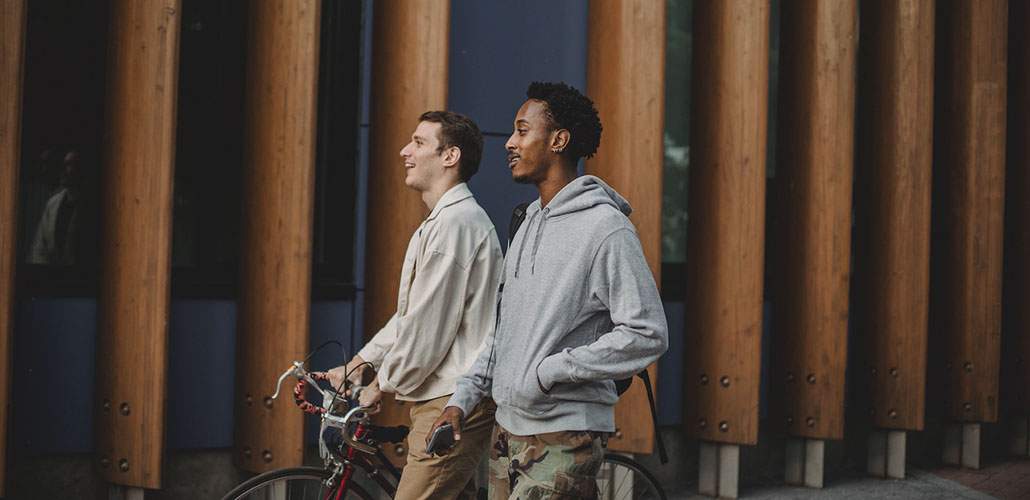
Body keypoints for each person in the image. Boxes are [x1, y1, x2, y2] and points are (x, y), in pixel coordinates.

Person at [430, 82, 669, 499]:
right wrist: (462, 400)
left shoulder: (605, 229)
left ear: (558, 140)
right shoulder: (525, 223)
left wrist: (550, 372)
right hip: (508, 432)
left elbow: (647, 331)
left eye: (523, 131)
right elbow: (504, 331)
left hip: (563, 434)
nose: (509, 143)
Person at [326, 111, 503, 500]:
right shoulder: (445, 222)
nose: (405, 151)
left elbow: (427, 328)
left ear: (450, 156)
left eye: (419, 142)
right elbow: (413, 316)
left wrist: (381, 385)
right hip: (442, 395)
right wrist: (359, 363)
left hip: (452, 399)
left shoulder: (455, 225)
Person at [28, 149, 82, 265]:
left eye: (69, 164)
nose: (64, 170)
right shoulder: (52, 204)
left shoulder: (88, 204)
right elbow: (39, 248)